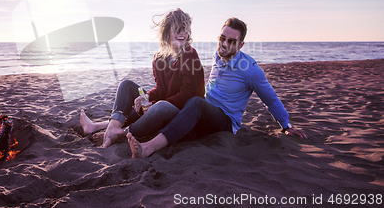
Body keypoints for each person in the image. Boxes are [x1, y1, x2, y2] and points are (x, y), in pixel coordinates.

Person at [127, 17, 308, 158]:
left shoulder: (251, 71)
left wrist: (286, 125)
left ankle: (148, 149)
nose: (224, 44)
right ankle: (120, 131)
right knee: (172, 108)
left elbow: (271, 99)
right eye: (222, 38)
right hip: (202, 112)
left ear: (241, 45)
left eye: (231, 41)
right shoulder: (218, 54)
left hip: (225, 120)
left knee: (195, 102)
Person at [80, 8, 205, 147]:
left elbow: (190, 95)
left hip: (183, 117)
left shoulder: (189, 54)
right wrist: (147, 97)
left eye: (186, 30)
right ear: (167, 32)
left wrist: (156, 104)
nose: (183, 34)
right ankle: (112, 127)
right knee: (126, 85)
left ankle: (123, 133)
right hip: (164, 107)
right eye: (178, 29)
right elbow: (161, 88)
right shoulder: (159, 58)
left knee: (160, 107)